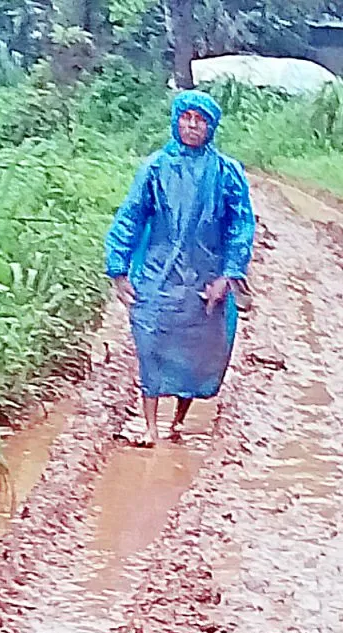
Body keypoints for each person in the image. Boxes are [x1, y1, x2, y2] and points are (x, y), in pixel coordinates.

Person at [105, 90, 255, 446]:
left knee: (196, 350)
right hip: (157, 275)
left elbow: (241, 226)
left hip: (204, 278)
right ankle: (150, 426)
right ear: (175, 121)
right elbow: (130, 215)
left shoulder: (226, 173)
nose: (191, 125)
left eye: (199, 120)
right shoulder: (155, 167)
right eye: (186, 118)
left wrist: (229, 275)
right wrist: (117, 268)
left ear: (211, 127)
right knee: (151, 345)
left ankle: (177, 421)